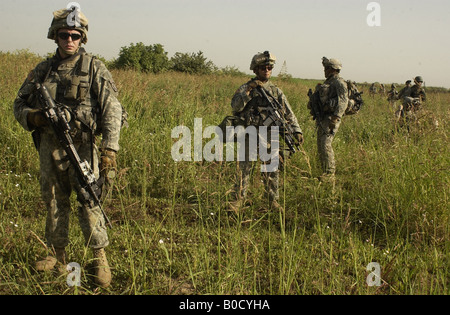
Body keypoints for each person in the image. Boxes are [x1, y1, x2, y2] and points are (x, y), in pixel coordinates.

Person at [13, 7, 124, 288]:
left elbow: (112, 110)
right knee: (53, 200)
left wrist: (110, 149)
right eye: (64, 35)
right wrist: (35, 117)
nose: (69, 40)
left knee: (89, 199)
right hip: (50, 147)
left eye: (75, 35)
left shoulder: (94, 68)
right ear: (55, 36)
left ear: (82, 38)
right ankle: (57, 255)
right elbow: (18, 104)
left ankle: (99, 256)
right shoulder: (42, 70)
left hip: (84, 147)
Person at [228, 51, 303, 211]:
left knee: (271, 168)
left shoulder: (276, 91)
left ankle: (272, 201)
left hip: (270, 134)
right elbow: (235, 106)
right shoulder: (245, 87)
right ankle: (238, 199)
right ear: (255, 69)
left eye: (269, 67)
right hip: (249, 133)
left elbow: (288, 112)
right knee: (244, 167)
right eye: (263, 67)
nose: (267, 70)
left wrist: (297, 130)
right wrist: (248, 91)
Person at [311, 57, 349, 180]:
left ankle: (330, 173)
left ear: (333, 69)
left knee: (326, 144)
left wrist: (336, 118)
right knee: (320, 144)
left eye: (327, 68)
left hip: (331, 118)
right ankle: (324, 170)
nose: (325, 70)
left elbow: (343, 101)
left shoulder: (338, 82)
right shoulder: (329, 81)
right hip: (324, 117)